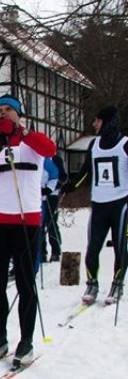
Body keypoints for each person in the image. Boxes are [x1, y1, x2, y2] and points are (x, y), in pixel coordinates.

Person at [0, 94, 56, 367]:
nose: (3, 114)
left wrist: (22, 133)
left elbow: (50, 150)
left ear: (19, 114)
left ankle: (26, 340)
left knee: (25, 282)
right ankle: (0, 338)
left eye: (9, 110)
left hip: (25, 220)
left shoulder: (32, 143)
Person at [63, 105, 127, 305]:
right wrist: (71, 186)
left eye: (97, 120)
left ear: (107, 122)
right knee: (93, 247)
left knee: (120, 247)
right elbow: (86, 172)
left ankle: (117, 284)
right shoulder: (94, 145)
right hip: (98, 204)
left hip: (120, 204)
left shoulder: (125, 144)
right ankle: (92, 283)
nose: (94, 124)